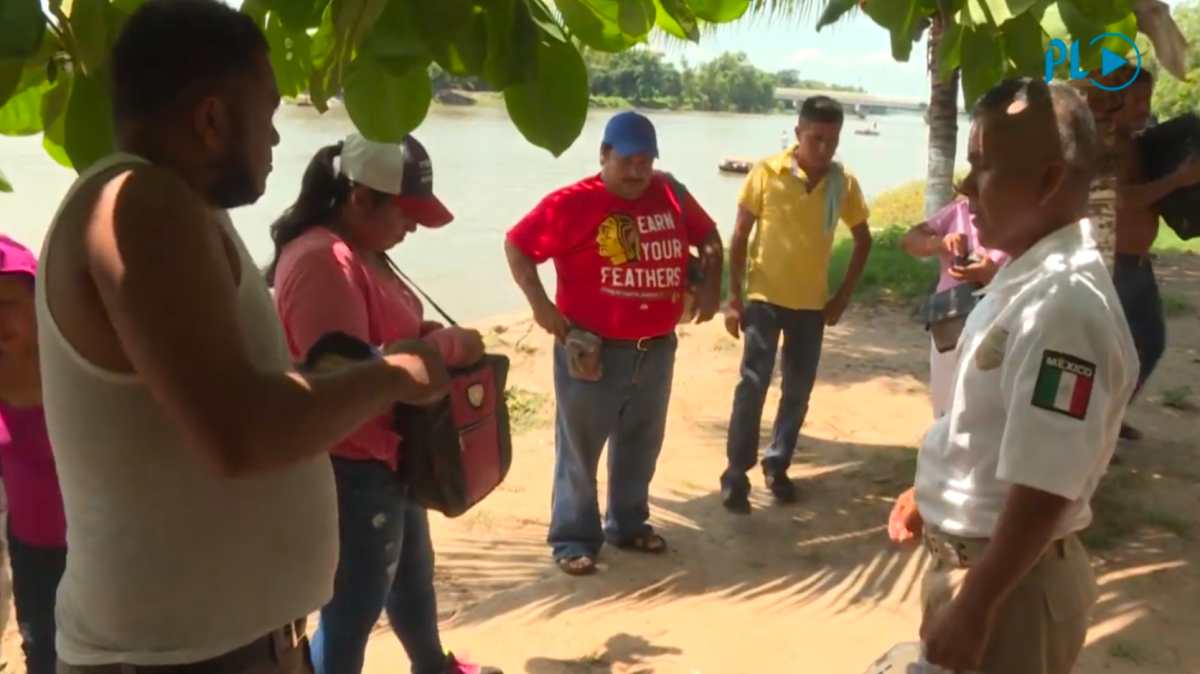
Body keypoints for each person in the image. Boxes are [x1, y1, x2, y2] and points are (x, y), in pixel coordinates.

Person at [36, 1, 448, 671]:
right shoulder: (142, 206)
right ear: (212, 118)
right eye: (269, 112)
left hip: (226, 649)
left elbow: (233, 395)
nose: (277, 140)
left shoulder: (174, 210)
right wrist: (394, 374)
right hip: (176, 660)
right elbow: (241, 432)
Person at [888, 78, 1138, 674]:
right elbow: (994, 420)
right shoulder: (1025, 279)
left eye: (983, 167)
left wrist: (976, 607)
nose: (966, 188)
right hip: (986, 573)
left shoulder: (1063, 306)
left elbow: (1047, 482)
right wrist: (939, 488)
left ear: (1049, 181)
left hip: (1008, 590)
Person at [269, 134, 500, 674]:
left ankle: (432, 666)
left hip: (391, 453)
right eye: (406, 213)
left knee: (412, 580)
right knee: (352, 610)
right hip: (352, 464)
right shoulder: (323, 262)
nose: (412, 227)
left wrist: (425, 335)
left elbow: (379, 341)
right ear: (360, 199)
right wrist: (446, 348)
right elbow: (347, 383)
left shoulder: (362, 251)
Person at [505, 111, 723, 576]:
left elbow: (709, 236)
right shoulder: (572, 203)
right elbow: (518, 245)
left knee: (642, 443)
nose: (637, 172)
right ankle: (573, 538)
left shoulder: (670, 191)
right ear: (604, 154)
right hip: (594, 349)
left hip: (657, 347)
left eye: (646, 161)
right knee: (580, 448)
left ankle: (627, 523)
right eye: (628, 161)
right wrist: (540, 304)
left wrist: (712, 285)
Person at [720, 96, 873, 514]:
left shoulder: (843, 184)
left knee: (798, 390)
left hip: (811, 307)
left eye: (832, 141)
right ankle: (735, 474)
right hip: (764, 300)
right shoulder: (766, 173)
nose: (824, 149)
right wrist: (734, 299)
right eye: (816, 138)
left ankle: (777, 463)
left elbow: (863, 239)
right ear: (798, 133)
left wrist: (841, 297)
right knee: (752, 385)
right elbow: (739, 236)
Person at [1105, 68, 1200, 441]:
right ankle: (1097, 427)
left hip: (1138, 263)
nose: (1145, 108)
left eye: (1148, 98)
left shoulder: (1139, 143)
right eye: (1138, 100)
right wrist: (1178, 180)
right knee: (1108, 352)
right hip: (1112, 265)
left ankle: (1111, 416)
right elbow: (1121, 199)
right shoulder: (1106, 146)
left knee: (1150, 343)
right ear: (1114, 99)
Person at [0, 235, 65, 674]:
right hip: (31, 552)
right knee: (42, 657)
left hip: (96, 546)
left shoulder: (75, 366)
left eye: (6, 303)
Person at [902, 197, 1008, 417]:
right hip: (951, 324)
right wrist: (939, 243)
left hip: (1001, 325)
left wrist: (993, 275)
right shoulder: (960, 208)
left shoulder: (1028, 213)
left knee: (984, 407)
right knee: (946, 406)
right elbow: (911, 240)